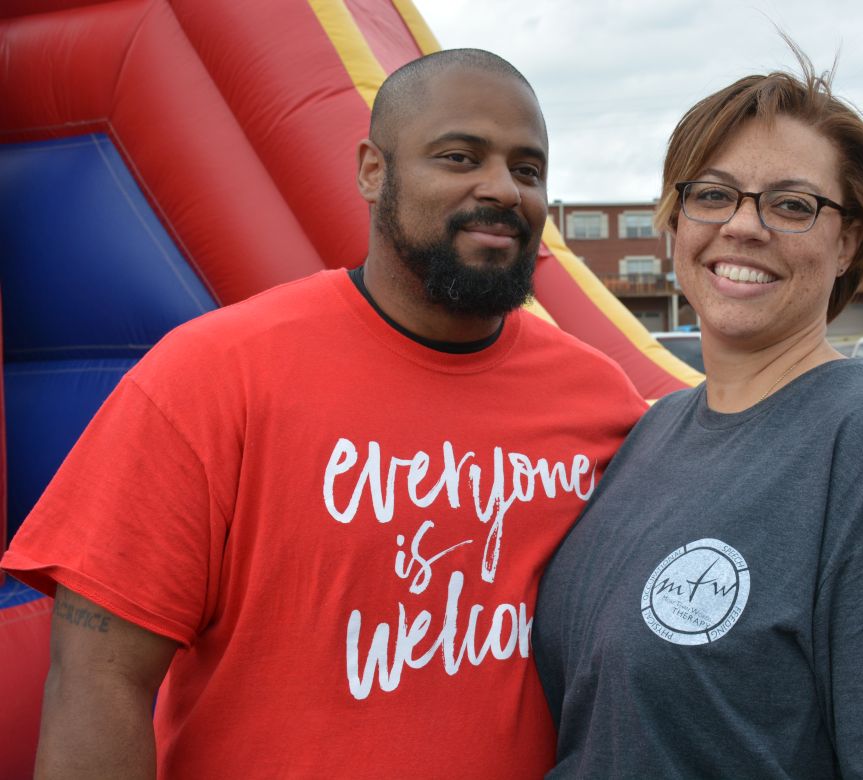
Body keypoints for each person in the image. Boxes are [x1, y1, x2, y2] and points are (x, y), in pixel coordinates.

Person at [2, 49, 645, 778]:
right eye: (460, 157)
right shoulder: (214, 374)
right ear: (373, 171)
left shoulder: (600, 401)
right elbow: (98, 680)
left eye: (528, 169)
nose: (502, 188)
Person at [534, 47, 863, 778]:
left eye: (791, 205)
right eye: (713, 194)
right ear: (676, 221)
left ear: (848, 242)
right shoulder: (651, 434)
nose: (743, 226)